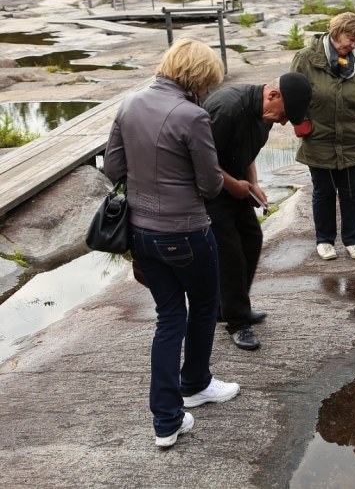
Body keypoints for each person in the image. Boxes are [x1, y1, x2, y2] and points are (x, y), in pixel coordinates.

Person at [104, 38, 240, 449]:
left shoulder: (129, 102)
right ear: (198, 76)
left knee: (169, 318)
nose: (208, 89)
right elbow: (210, 184)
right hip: (186, 231)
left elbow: (113, 167)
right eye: (208, 81)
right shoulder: (192, 115)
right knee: (204, 305)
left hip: (140, 233)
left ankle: (166, 421)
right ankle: (195, 384)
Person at [202, 73, 312, 351]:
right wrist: (233, 185)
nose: (283, 122)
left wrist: (252, 183)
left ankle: (227, 307)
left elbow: (248, 153)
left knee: (252, 238)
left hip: (236, 184)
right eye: (284, 115)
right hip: (210, 189)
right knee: (229, 251)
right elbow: (201, 160)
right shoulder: (227, 109)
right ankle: (238, 323)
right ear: (273, 95)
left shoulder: (265, 115)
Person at [290, 12, 355, 262]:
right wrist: (301, 123)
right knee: (324, 193)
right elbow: (291, 94)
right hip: (318, 138)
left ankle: (352, 240)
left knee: (351, 193)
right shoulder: (306, 58)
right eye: (350, 39)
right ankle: (325, 241)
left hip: (352, 138)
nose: (353, 45)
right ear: (336, 32)